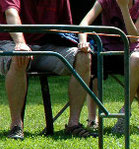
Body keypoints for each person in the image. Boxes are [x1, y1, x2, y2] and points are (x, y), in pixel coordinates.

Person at [0, 0, 95, 140]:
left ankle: (73, 124)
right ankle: (16, 126)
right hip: (11, 42)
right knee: (20, 55)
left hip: (46, 47)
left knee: (83, 57)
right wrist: (20, 43)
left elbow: (64, 29)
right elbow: (11, 13)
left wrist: (80, 43)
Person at [79, 0, 139, 135]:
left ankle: (127, 114)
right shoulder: (105, 2)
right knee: (92, 63)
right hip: (107, 51)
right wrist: (83, 41)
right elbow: (84, 23)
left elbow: (133, 38)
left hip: (131, 50)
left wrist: (124, 8)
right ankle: (93, 119)